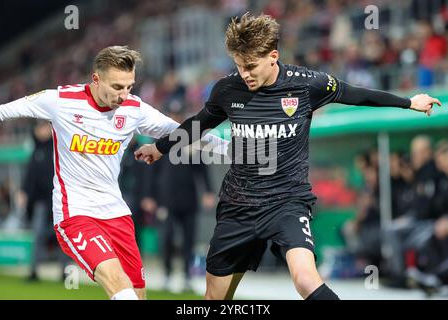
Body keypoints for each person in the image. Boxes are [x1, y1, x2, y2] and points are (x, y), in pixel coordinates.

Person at [134, 13, 442, 300]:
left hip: (287, 202)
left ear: (273, 56)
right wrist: (159, 148)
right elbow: (198, 124)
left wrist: (408, 102)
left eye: (251, 66)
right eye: (239, 66)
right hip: (237, 207)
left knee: (306, 280)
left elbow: (357, 93)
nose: (245, 74)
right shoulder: (227, 90)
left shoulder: (308, 84)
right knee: (215, 298)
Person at [0, 45, 226, 300]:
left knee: (138, 293)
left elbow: (182, 132)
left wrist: (228, 148)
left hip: (116, 213)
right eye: (117, 87)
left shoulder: (134, 109)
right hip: (76, 214)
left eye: (130, 86)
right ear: (96, 79)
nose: (124, 95)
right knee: (117, 280)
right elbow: (4, 111)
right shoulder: (60, 101)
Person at [142, 106, 216, 292]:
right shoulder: (160, 141)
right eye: (173, 114)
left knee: (189, 240)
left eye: (178, 115)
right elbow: (151, 171)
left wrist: (208, 191)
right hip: (166, 200)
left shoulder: (191, 140)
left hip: (188, 198)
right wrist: (149, 196)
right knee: (166, 238)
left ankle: (186, 276)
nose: (176, 118)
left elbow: (202, 169)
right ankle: (167, 274)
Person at [16, 120, 69, 281]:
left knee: (64, 236)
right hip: (40, 202)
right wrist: (23, 192)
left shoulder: (59, 148)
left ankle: (66, 272)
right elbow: (30, 177)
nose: (42, 131)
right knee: (38, 235)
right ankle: (33, 270)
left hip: (58, 201)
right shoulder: (36, 150)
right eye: (40, 127)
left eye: (45, 127)